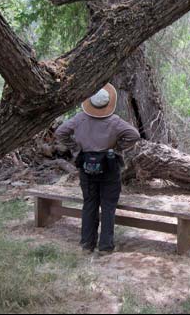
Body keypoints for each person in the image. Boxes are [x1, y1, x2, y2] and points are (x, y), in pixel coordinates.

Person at [55, 83, 140, 255]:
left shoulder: (79, 119)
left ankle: (87, 244)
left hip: (86, 167)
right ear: (109, 104)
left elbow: (60, 132)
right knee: (108, 206)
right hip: (110, 167)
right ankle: (105, 247)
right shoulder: (114, 121)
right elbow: (134, 135)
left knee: (89, 204)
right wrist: (118, 148)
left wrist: (76, 147)